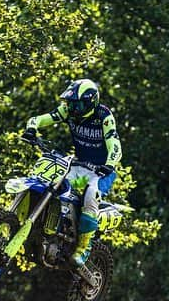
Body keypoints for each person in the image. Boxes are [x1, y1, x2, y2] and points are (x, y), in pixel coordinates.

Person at [21, 78, 121, 267]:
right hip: (79, 164)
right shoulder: (68, 111)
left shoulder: (104, 116)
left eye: (79, 104)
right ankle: (48, 226)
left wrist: (109, 164)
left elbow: (114, 144)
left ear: (91, 102)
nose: (74, 109)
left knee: (91, 194)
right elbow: (42, 118)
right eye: (72, 104)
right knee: (49, 178)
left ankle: (84, 248)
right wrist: (32, 128)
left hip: (101, 170)